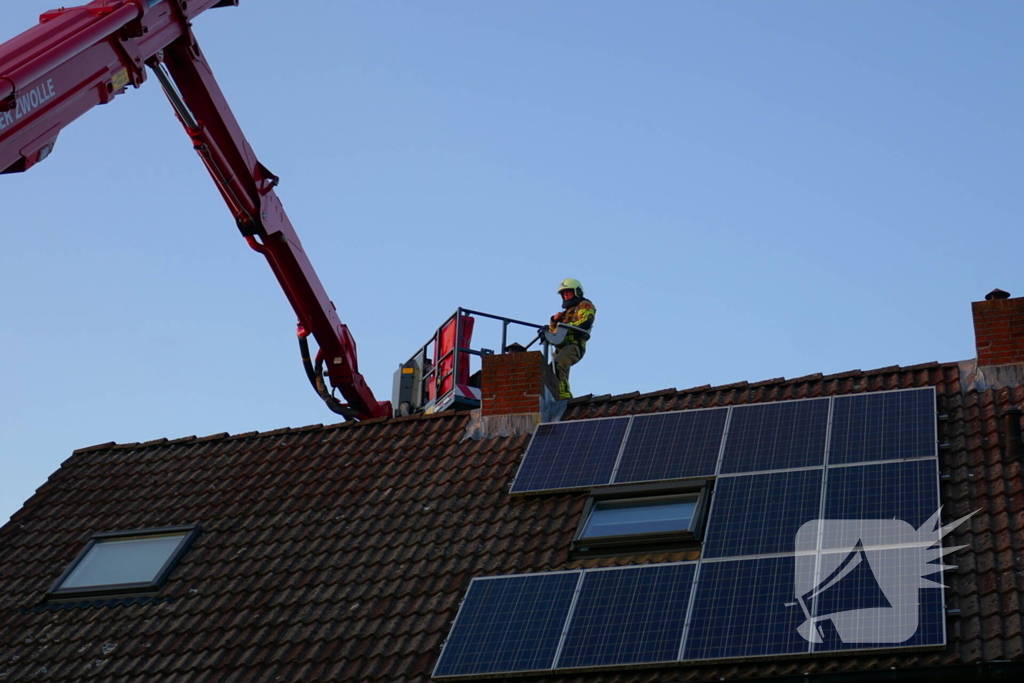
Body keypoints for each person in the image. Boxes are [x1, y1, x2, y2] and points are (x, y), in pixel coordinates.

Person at [548, 278, 596, 400]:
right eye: (563, 293)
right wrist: (554, 321)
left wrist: (565, 327)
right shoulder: (564, 314)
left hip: (575, 345)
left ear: (577, 292)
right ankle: (558, 397)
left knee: (557, 366)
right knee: (551, 370)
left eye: (568, 292)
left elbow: (586, 322)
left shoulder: (584, 305)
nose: (566, 295)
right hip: (561, 347)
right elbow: (554, 333)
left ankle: (565, 398)